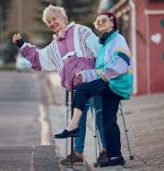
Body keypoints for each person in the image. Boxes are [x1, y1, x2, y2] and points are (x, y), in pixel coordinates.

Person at [12, 5, 106, 165]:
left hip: (95, 82)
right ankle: (77, 154)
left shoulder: (81, 31)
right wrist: (22, 44)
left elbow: (101, 51)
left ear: (62, 18)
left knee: (100, 115)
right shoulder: (54, 46)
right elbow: (40, 59)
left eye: (54, 19)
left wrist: (100, 74)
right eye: (48, 22)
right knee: (78, 119)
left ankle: (107, 150)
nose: (51, 23)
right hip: (77, 88)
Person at [54, 12, 133, 167]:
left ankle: (73, 127)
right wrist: (84, 74)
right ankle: (115, 157)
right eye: (97, 22)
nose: (99, 23)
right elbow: (99, 70)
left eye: (103, 20)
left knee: (83, 90)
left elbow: (123, 61)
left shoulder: (118, 39)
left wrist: (104, 77)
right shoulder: (105, 44)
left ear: (112, 22)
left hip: (116, 83)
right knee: (108, 120)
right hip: (110, 82)